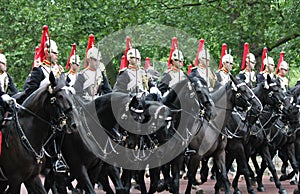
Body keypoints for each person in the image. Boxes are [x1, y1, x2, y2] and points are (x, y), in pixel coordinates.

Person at [17, 39, 64, 104]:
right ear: (47, 52)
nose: (57, 55)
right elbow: (31, 93)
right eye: (54, 53)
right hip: (42, 104)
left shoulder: (59, 70)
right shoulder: (39, 70)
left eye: (57, 53)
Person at [0, 53, 18, 126]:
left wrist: (18, 96)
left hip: (5, 103)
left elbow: (14, 90)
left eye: (5, 63)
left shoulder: (7, 77)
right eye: (3, 63)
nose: (5, 66)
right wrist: (3, 95)